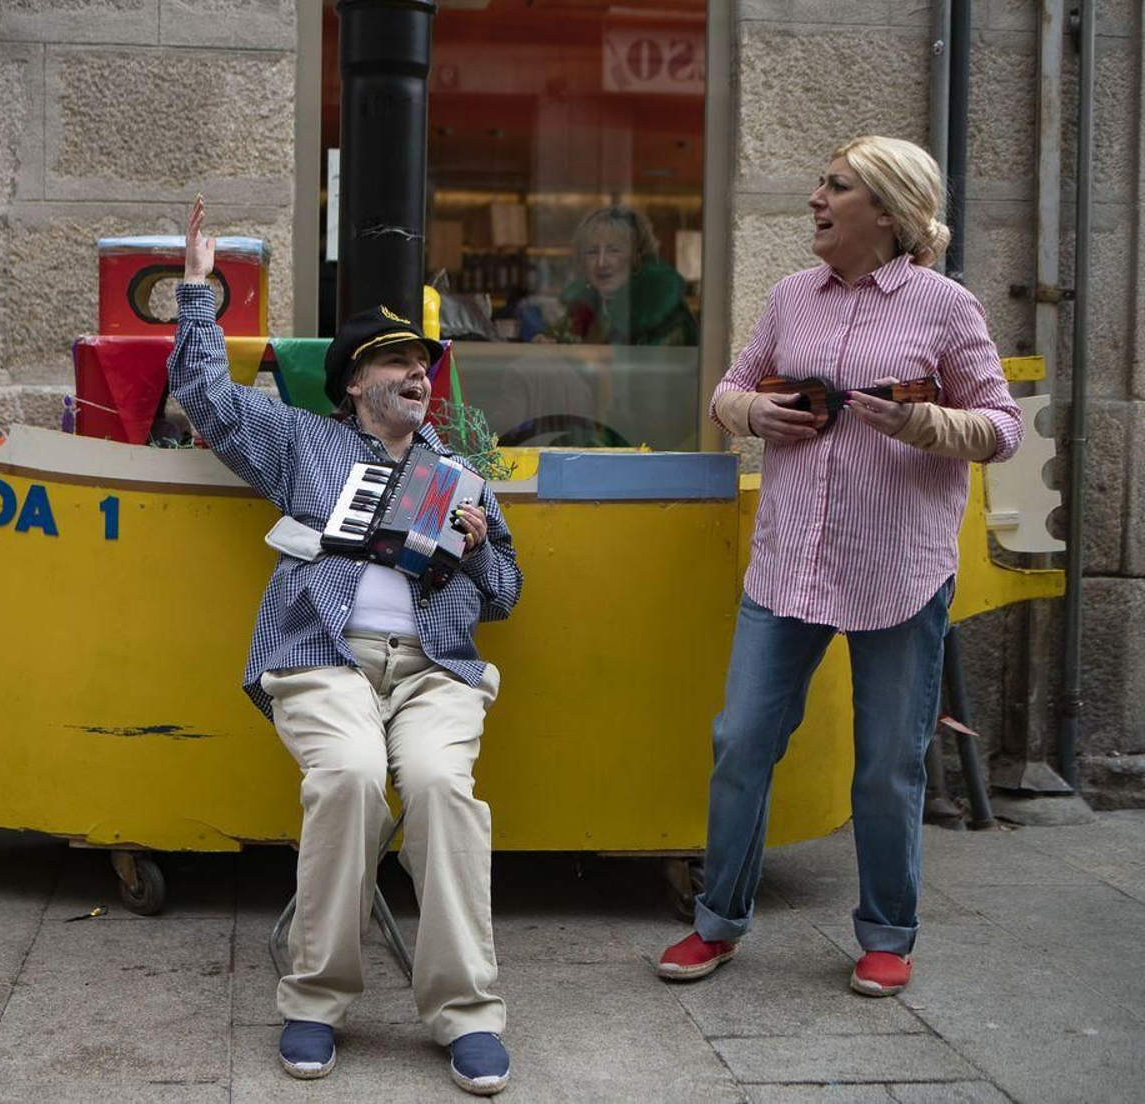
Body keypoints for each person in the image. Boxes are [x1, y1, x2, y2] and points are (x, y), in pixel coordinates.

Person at [167, 196, 523, 1094]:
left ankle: (466, 1013)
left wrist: (480, 552)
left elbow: (510, 595)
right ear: (356, 382)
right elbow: (205, 399)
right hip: (323, 656)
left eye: (423, 363)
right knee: (353, 776)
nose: (418, 374)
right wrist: (199, 290)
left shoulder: (459, 475)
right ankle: (316, 1002)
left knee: (441, 786)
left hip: (433, 669)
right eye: (398, 362)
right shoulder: (304, 445)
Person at [656, 136, 1022, 998]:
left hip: (897, 567)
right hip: (788, 565)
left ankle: (888, 933)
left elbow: (1001, 426)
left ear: (887, 212)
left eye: (836, 186)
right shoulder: (791, 298)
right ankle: (718, 921)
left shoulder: (946, 308)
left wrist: (923, 427)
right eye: (820, 181)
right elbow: (728, 389)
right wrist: (756, 413)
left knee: (887, 762)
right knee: (741, 741)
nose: (815, 198)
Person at [529, 206, 697, 346]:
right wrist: (546, 346)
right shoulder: (584, 307)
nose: (601, 262)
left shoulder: (662, 314)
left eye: (613, 250)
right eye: (592, 252)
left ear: (636, 257)